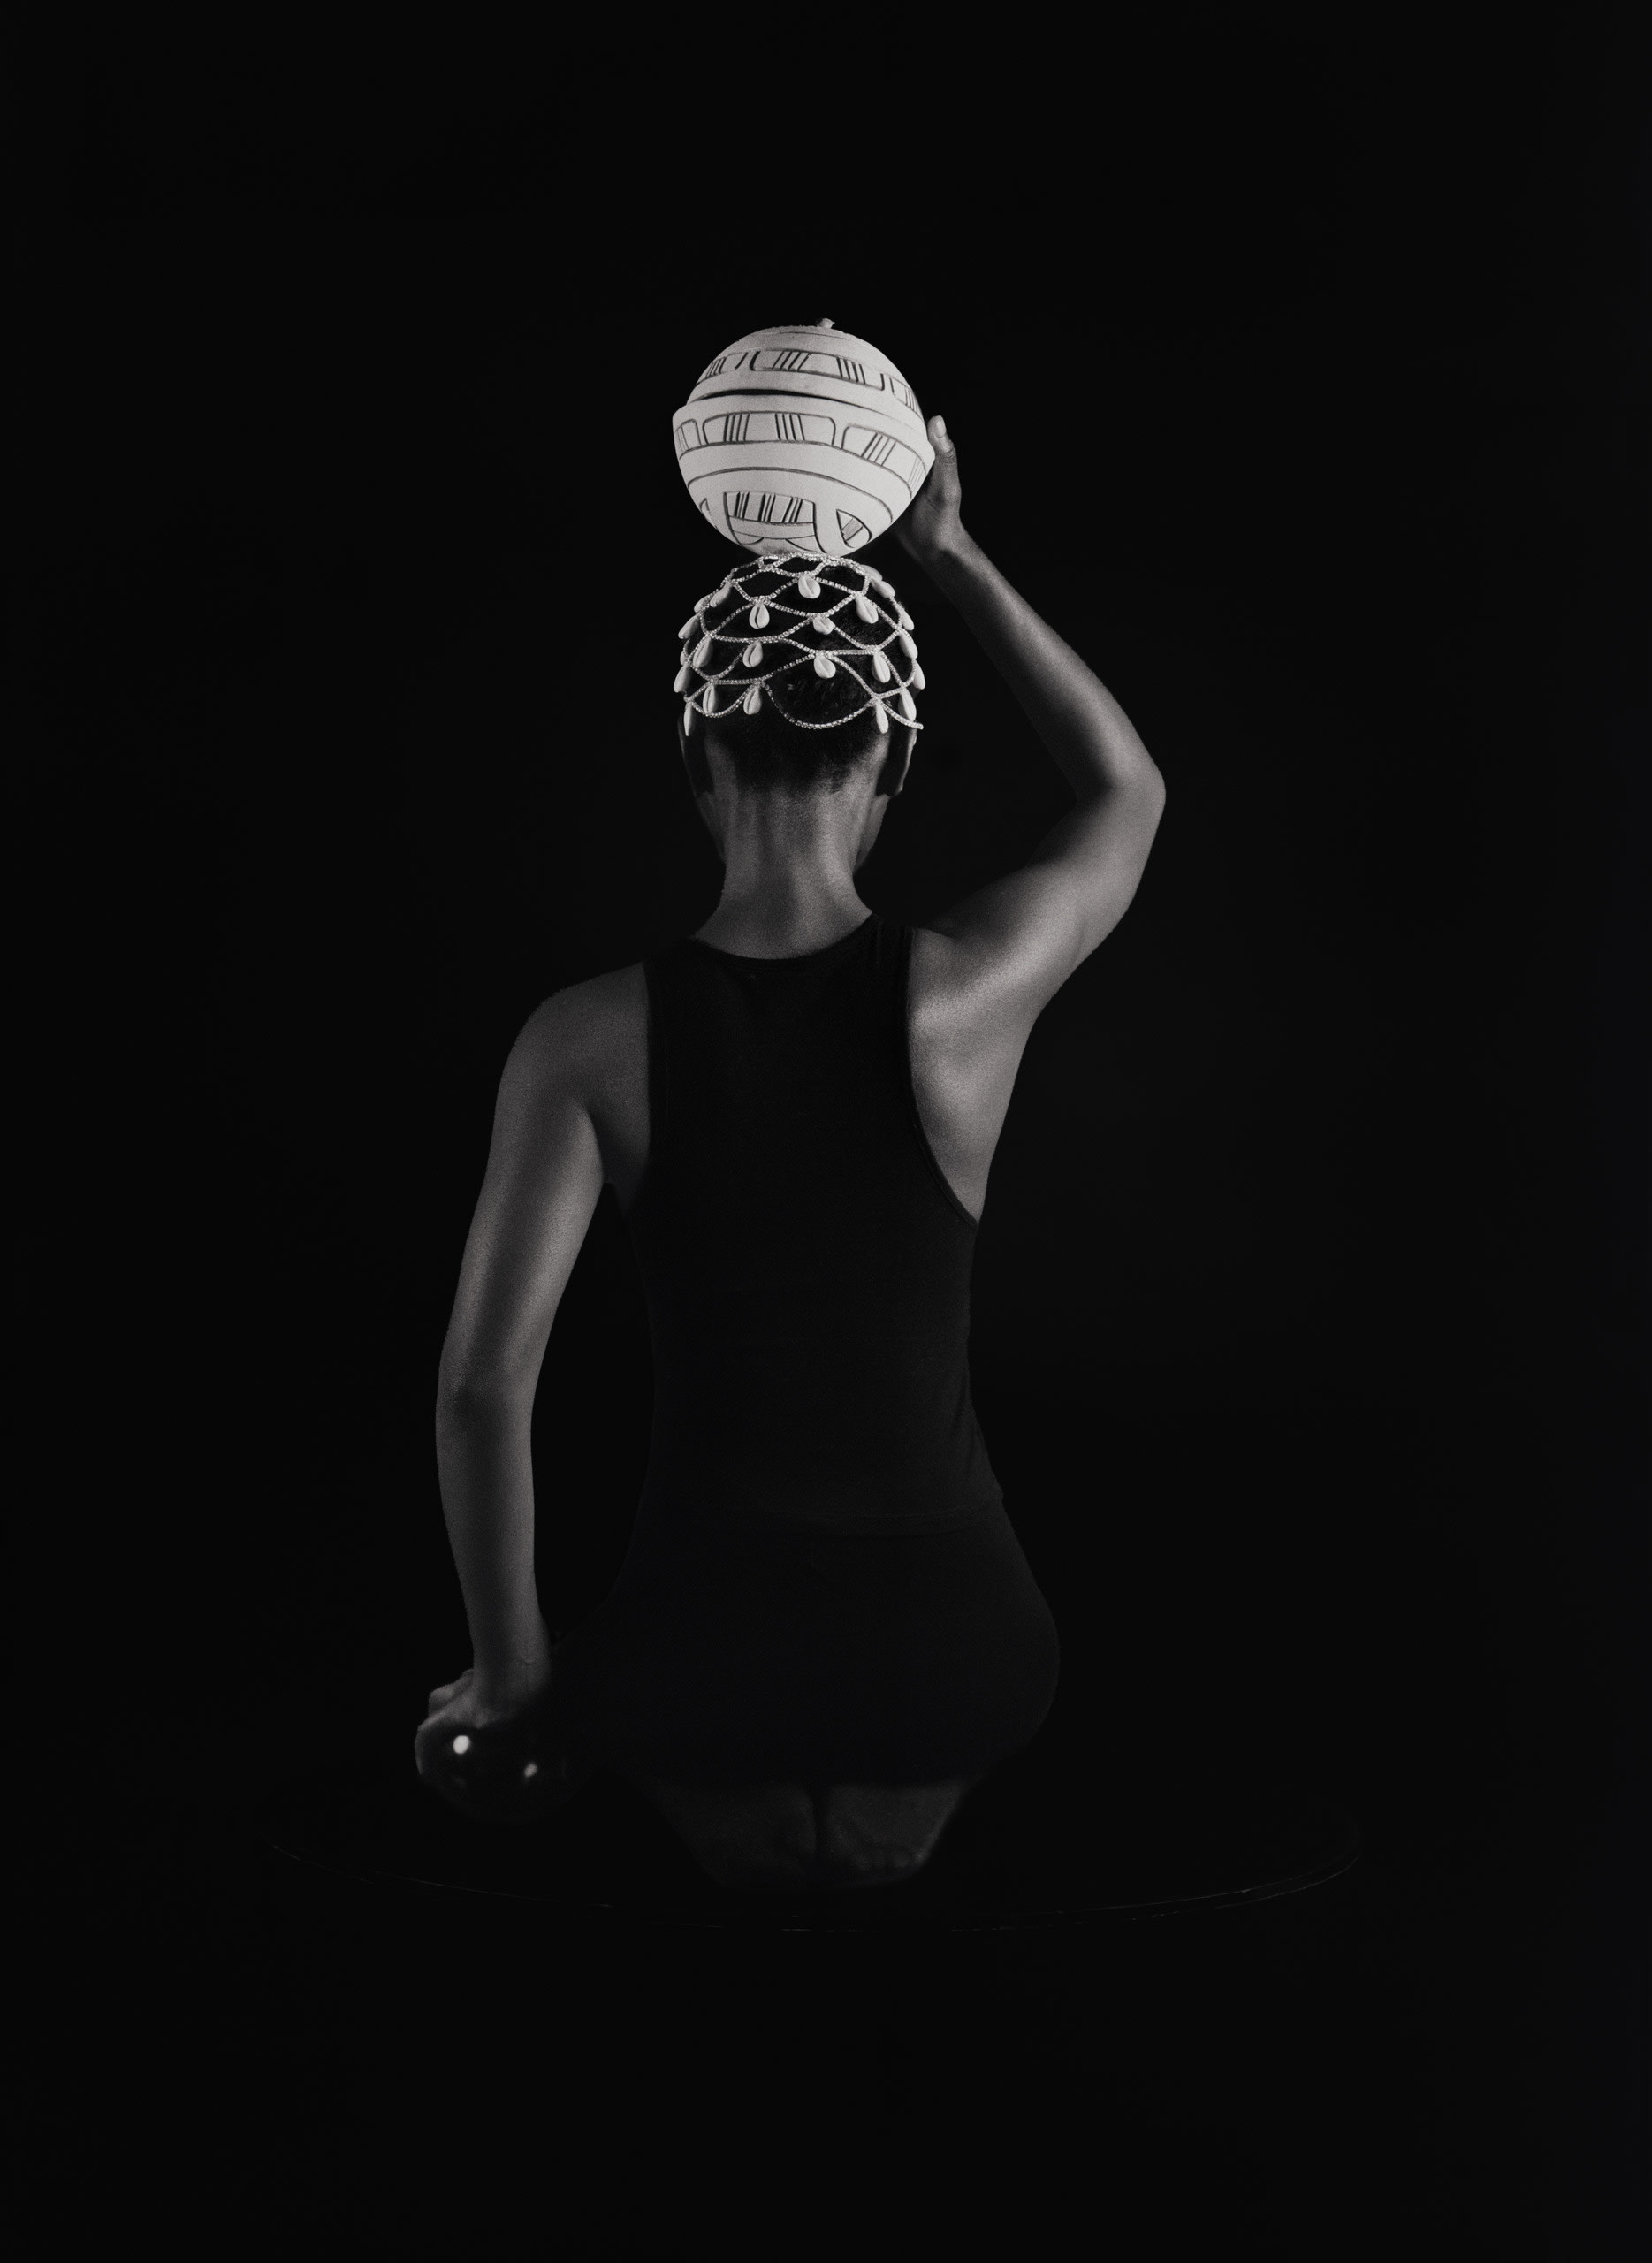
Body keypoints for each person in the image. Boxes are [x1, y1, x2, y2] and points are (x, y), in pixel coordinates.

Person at [415, 413, 1168, 1891]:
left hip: (692, 1664)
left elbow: (481, 1391)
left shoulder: (581, 1040)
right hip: (956, 1659)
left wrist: (509, 1683)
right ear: (890, 758)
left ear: (694, 755)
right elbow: (1126, 795)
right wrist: (951, 555)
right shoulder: (966, 996)